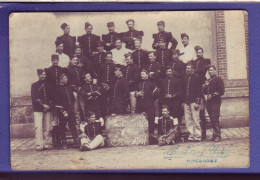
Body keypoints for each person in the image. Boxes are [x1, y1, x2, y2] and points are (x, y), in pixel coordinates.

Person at [54, 73, 79, 149]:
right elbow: (57, 102)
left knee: (73, 126)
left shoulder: (69, 88)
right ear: (60, 80)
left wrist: (71, 109)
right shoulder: (57, 89)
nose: (66, 79)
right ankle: (64, 142)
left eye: (66, 78)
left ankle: (76, 141)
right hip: (63, 112)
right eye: (65, 78)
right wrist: (64, 111)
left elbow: (73, 99)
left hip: (71, 110)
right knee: (62, 126)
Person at [192, 45, 211, 140]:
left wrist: (195, 71)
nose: (198, 54)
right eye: (197, 52)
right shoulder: (194, 62)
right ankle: (196, 132)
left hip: (202, 85)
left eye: (200, 52)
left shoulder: (206, 61)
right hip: (194, 85)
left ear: (202, 53)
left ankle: (204, 133)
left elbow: (204, 70)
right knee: (196, 111)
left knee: (203, 110)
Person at [31, 69, 53, 151]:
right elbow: (34, 98)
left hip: (48, 109)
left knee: (47, 127)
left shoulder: (48, 85)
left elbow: (51, 97)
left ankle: (46, 144)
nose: (43, 76)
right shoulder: (34, 85)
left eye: (44, 74)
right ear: (38, 75)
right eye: (41, 74)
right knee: (38, 127)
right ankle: (39, 145)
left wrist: (49, 106)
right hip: (38, 109)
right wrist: (43, 106)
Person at [135, 69, 159, 142]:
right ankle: (140, 137)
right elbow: (135, 94)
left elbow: (156, 94)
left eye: (143, 74)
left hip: (149, 105)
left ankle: (150, 138)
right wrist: (137, 94)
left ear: (147, 75)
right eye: (141, 74)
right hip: (140, 105)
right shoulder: (139, 84)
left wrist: (150, 99)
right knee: (139, 120)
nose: (142, 75)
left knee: (150, 121)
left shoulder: (152, 84)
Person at [203, 65, 225, 142]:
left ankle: (218, 135)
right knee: (212, 118)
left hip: (215, 101)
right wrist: (205, 86)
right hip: (209, 102)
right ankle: (214, 134)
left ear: (215, 70)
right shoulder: (208, 80)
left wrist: (212, 95)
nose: (210, 71)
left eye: (211, 70)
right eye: (209, 70)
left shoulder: (218, 79)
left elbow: (221, 91)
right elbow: (205, 92)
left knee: (215, 117)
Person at [183, 63, 202, 142]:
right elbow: (184, 91)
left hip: (194, 101)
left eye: (188, 68)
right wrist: (183, 102)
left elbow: (199, 90)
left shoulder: (197, 78)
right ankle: (191, 134)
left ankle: (198, 135)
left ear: (192, 69)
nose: (187, 70)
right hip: (186, 102)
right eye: (186, 68)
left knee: (196, 119)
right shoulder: (185, 78)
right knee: (188, 119)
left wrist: (198, 102)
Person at [66, 55, 85, 123]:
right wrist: (73, 88)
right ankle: (77, 122)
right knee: (75, 107)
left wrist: (81, 87)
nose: (75, 61)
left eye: (76, 60)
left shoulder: (80, 69)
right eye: (74, 60)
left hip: (81, 89)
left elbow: (82, 79)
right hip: (73, 90)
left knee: (83, 105)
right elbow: (68, 81)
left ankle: (86, 121)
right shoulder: (68, 70)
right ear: (71, 61)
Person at [100, 51, 116, 116]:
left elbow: (115, 77)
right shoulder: (102, 66)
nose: (109, 58)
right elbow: (100, 76)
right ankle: (104, 115)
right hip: (103, 86)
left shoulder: (114, 66)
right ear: (105, 58)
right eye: (107, 57)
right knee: (104, 101)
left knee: (111, 101)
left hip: (112, 86)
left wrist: (110, 85)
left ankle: (111, 113)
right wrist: (102, 84)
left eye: (110, 57)